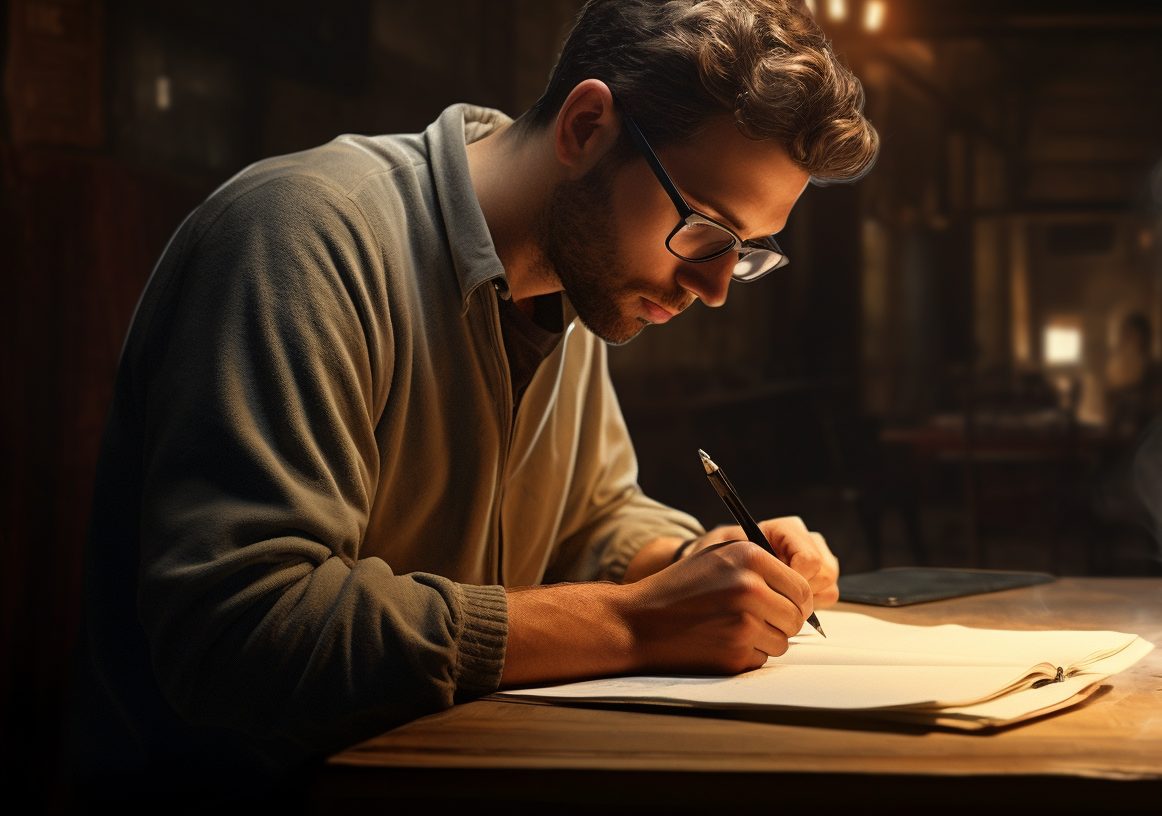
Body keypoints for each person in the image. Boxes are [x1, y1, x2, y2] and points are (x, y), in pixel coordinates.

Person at [70, 0, 878, 799]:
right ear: (586, 127)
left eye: (744, 255)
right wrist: (636, 623)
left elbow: (591, 519)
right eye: (703, 230)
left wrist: (697, 566)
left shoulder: (579, 280)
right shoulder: (303, 237)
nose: (712, 289)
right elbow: (241, 632)